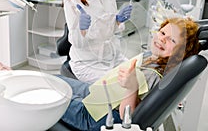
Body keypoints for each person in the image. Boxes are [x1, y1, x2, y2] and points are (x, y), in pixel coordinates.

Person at [56, 17, 200, 131]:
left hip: (95, 116)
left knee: (50, 91)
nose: (162, 39)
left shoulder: (153, 75)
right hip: (98, 95)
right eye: (163, 33)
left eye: (172, 40)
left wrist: (132, 87)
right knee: (54, 81)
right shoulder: (153, 58)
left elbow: (128, 117)